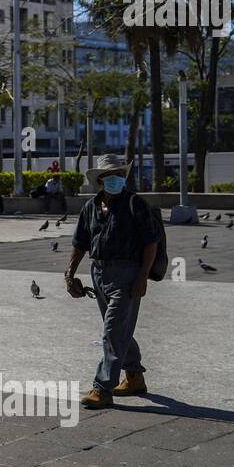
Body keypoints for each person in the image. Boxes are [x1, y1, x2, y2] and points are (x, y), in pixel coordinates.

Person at [64, 154, 161, 410]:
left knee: (113, 331)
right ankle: (134, 377)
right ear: (100, 180)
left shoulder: (134, 204)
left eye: (119, 175)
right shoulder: (91, 207)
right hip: (99, 274)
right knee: (119, 329)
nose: (115, 179)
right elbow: (79, 244)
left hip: (128, 275)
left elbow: (151, 242)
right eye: (110, 176)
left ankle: (103, 387)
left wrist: (142, 277)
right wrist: (69, 275)